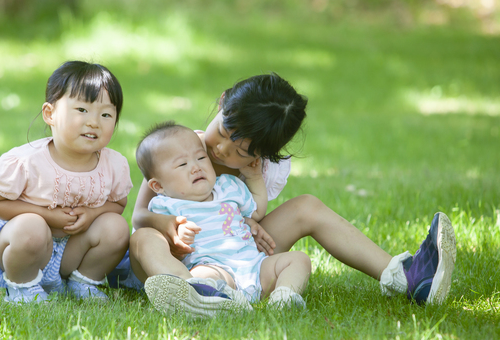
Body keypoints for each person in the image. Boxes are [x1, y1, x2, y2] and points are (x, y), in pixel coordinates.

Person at [124, 73, 456, 313]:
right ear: (223, 102)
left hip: (239, 250)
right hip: (180, 252)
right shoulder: (178, 147)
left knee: (307, 206)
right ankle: (187, 291)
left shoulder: (258, 172)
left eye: (242, 152)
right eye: (223, 131)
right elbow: (140, 215)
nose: (222, 150)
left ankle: (405, 277)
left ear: (263, 155)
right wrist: (168, 225)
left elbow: (253, 213)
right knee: (141, 239)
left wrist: (249, 219)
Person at [0, 61, 132, 303]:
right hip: (26, 247)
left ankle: (82, 282)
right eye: (81, 110)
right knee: (32, 226)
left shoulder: (113, 165)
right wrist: (48, 216)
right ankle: (22, 288)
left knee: (116, 226)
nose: (94, 122)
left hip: (73, 251)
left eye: (106, 114)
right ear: (50, 114)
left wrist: (92, 214)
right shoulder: (27, 162)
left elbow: (118, 204)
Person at [135, 122, 312, 317]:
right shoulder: (165, 205)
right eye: (183, 164)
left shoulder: (228, 186)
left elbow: (256, 211)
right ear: (158, 186)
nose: (196, 167)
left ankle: (284, 297)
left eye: (201, 158)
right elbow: (158, 242)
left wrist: (254, 178)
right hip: (214, 268)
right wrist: (177, 234)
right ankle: (214, 299)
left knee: (298, 259)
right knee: (202, 277)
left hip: (255, 267)